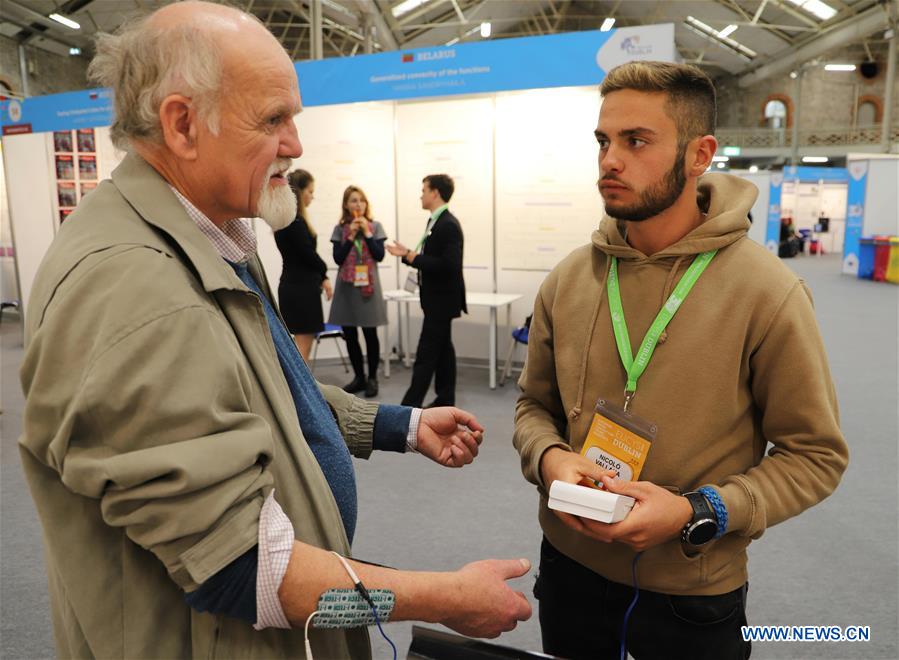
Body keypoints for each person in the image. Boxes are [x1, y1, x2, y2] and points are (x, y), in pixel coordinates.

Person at [17, 4, 532, 659]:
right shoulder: (136, 288)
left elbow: (269, 384)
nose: (295, 144)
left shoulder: (214, 235)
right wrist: (442, 598)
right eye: (272, 119)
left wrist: (393, 426)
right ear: (181, 124)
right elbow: (246, 572)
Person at [512, 61, 848, 660]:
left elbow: (815, 456)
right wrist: (551, 458)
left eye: (636, 141)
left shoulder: (767, 293)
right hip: (567, 567)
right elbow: (534, 405)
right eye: (603, 141)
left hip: (689, 592)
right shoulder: (568, 279)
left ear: (700, 155)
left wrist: (700, 510)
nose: (610, 160)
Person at [387, 174, 466, 408]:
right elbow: (434, 259)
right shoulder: (435, 221)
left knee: (426, 354)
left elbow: (450, 265)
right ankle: (445, 398)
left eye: (424, 190)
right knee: (443, 352)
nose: (421, 195)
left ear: (435, 193)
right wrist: (409, 254)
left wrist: (412, 256)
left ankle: (408, 408)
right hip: (436, 300)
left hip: (441, 302)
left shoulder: (448, 225)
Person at [329, 185, 387, 397]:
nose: (358, 205)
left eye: (361, 200)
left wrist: (368, 234)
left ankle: (372, 378)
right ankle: (359, 377)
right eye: (354, 201)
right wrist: (352, 235)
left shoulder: (376, 226)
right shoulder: (340, 229)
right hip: (346, 288)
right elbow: (338, 258)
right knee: (350, 334)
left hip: (368, 288)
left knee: (370, 333)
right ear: (346, 205)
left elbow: (379, 255)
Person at [274, 169, 332, 360]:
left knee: (301, 347)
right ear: (299, 191)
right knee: (302, 350)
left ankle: (301, 388)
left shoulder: (288, 221)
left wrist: (322, 277)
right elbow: (308, 255)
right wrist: (324, 272)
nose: (312, 197)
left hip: (296, 286)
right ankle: (302, 389)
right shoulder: (294, 222)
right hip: (301, 290)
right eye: (310, 191)